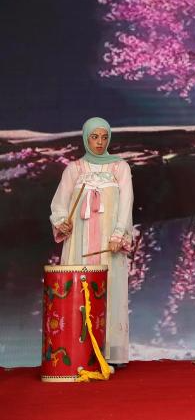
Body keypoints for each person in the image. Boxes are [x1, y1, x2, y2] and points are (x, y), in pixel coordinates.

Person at [50, 117, 134, 366]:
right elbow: (59, 204)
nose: (99, 142)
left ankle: (108, 353)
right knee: (79, 293)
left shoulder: (119, 167)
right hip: (79, 243)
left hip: (109, 244)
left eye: (104, 137)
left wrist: (119, 234)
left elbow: (126, 203)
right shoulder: (74, 169)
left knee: (110, 290)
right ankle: (79, 352)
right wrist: (62, 222)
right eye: (94, 137)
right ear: (86, 138)